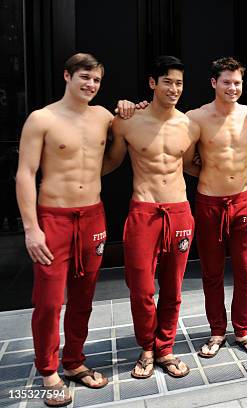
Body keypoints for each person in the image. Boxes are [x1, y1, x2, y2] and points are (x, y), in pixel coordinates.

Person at [16, 53, 111, 407]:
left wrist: (132, 106)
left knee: (84, 296)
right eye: (84, 77)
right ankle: (48, 369)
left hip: (93, 216)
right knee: (49, 300)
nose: (90, 85)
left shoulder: (103, 116)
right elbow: (25, 173)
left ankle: (73, 361)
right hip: (53, 218)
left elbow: (129, 137)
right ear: (67, 76)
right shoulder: (42, 118)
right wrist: (31, 229)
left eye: (97, 80)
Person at [103, 55, 200, 379]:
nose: (174, 89)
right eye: (168, 82)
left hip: (179, 210)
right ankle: (146, 348)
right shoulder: (127, 121)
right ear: (152, 83)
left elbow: (189, 166)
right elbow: (112, 161)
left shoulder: (190, 125)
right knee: (142, 288)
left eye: (179, 83)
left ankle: (166, 348)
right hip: (143, 210)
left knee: (173, 289)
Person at [182, 57, 247, 358]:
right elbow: (186, 160)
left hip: (243, 200)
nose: (233, 87)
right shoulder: (196, 117)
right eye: (227, 82)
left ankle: (243, 330)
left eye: (238, 82)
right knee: (212, 272)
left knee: (245, 272)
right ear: (214, 82)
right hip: (209, 202)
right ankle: (217, 331)